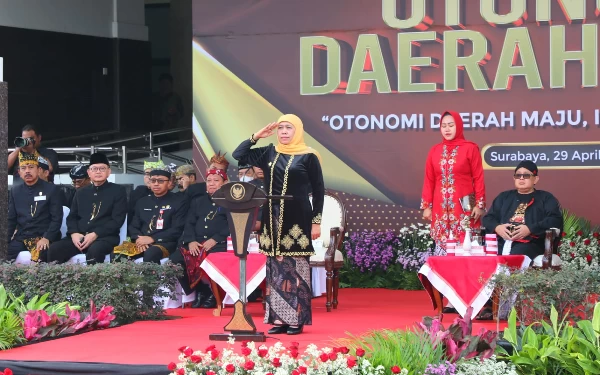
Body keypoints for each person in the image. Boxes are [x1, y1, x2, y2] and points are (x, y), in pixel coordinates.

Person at [233, 114, 325, 336]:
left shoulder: (309, 156)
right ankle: (279, 318)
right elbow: (239, 155)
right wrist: (256, 136)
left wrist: (316, 222)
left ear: (298, 131)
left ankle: (297, 320)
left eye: (288, 128)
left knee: (296, 269)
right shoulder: (270, 151)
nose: (283, 132)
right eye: (280, 128)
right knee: (275, 270)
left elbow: (319, 190)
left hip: (297, 217)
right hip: (271, 218)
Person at [47, 153, 128, 264]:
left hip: (104, 237)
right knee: (55, 249)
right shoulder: (81, 192)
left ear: (109, 172)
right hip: (80, 236)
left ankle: (94, 281)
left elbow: (117, 220)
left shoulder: (118, 191)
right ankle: (58, 281)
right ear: (89, 173)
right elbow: (72, 217)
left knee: (95, 251)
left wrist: (95, 234)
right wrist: (74, 233)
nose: (98, 172)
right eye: (94, 169)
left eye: (102, 169)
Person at [421, 111, 486, 247]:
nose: (447, 129)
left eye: (451, 125)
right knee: (443, 248)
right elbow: (429, 180)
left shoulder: (470, 148)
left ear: (459, 126)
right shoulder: (435, 150)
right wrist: (427, 206)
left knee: (466, 242)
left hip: (465, 204)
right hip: (440, 205)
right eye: (443, 126)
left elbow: (478, 178)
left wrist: (479, 205)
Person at [170, 169, 230, 308]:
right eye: (209, 181)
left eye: (216, 181)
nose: (211, 184)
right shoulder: (198, 201)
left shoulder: (231, 202)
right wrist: (190, 241)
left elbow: (232, 225)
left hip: (217, 243)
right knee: (174, 262)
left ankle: (216, 295)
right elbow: (189, 222)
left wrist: (216, 239)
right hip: (196, 242)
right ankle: (201, 290)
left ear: (225, 183)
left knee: (213, 259)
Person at [482, 160, 563, 260]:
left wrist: (530, 229)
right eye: (518, 175)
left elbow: (554, 220)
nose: (521, 178)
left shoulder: (545, 198)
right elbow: (488, 218)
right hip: (502, 241)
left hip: (531, 243)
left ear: (536, 179)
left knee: (517, 255)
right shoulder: (504, 197)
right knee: (486, 253)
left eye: (526, 175)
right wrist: (497, 227)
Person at [114, 168, 189, 263]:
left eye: (161, 181)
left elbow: (177, 229)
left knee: (151, 253)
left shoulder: (178, 201)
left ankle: (151, 278)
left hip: (165, 243)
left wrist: (152, 238)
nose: (156, 184)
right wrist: (139, 239)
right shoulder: (142, 201)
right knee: (117, 254)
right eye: (153, 180)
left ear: (169, 183)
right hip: (141, 242)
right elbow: (133, 225)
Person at [7, 151, 63, 262]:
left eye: (31, 167)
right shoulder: (15, 191)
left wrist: (47, 238)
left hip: (43, 236)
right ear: (19, 172)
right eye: (23, 168)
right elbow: (11, 219)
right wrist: (5, 239)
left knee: (42, 257)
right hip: (22, 237)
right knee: (4, 253)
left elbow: (56, 218)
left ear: (38, 170)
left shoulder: (51, 189)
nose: (27, 171)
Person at [128, 159, 165, 227]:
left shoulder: (167, 195)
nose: (149, 177)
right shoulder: (138, 192)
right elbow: (131, 217)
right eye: (147, 174)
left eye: (153, 174)